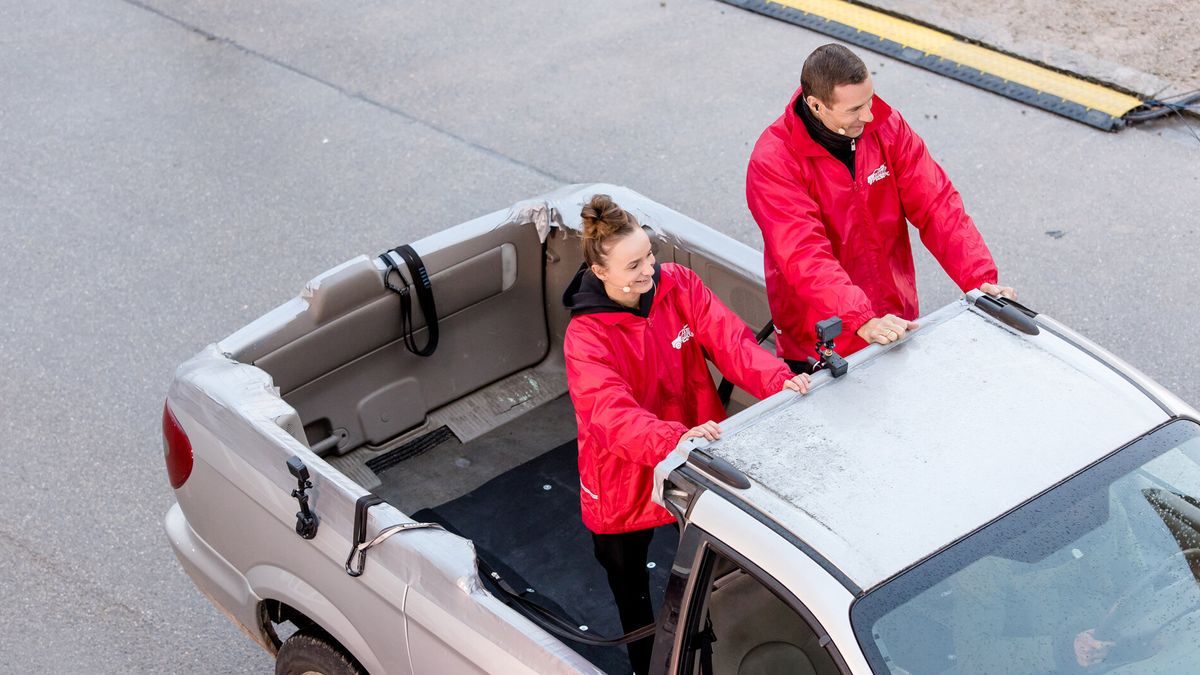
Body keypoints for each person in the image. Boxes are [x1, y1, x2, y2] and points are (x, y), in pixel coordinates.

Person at [562, 194, 810, 674]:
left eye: (649, 256)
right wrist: (676, 440)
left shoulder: (679, 285)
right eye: (633, 264)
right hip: (625, 478)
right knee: (633, 600)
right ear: (600, 272)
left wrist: (781, 382)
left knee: (712, 577)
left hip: (695, 455)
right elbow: (611, 415)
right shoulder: (586, 337)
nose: (648, 270)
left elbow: (732, 342)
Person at [746, 44, 1016, 371]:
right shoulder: (774, 161)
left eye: (870, 100)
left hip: (892, 318)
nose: (869, 115)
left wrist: (979, 279)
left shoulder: (887, 128)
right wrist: (859, 317)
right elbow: (804, 253)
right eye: (855, 109)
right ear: (816, 105)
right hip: (822, 337)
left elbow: (938, 205)